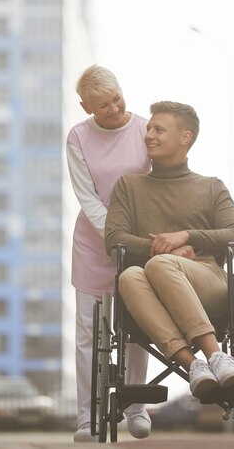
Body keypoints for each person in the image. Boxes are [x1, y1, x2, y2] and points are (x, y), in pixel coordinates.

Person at [105, 101, 234, 399]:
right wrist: (163, 249)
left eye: (159, 129)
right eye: (148, 129)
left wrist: (186, 237)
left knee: (157, 266)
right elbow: (114, 238)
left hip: (206, 281)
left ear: (185, 138)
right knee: (129, 276)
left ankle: (216, 355)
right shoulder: (128, 187)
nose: (149, 135)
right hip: (147, 286)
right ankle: (195, 364)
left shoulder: (211, 187)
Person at [66, 65, 152, 442]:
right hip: (94, 241)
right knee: (87, 331)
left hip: (138, 240)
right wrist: (113, 235)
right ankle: (86, 417)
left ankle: (136, 407)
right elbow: (87, 197)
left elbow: (157, 185)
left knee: (138, 326)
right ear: (86, 106)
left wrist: (135, 239)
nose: (114, 109)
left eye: (116, 99)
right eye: (103, 106)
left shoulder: (145, 129)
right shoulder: (78, 138)